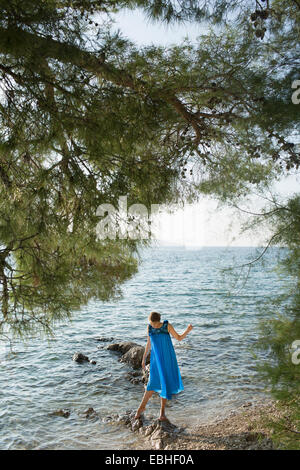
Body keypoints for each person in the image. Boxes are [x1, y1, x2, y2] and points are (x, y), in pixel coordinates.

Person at [134, 311, 193, 421]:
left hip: (167, 359)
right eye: (152, 323)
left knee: (164, 384)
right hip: (156, 360)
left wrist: (187, 330)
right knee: (151, 384)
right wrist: (143, 358)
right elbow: (148, 344)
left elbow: (179, 338)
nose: (154, 326)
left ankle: (162, 413)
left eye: (155, 324)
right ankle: (140, 408)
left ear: (159, 321)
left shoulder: (167, 326)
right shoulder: (149, 328)